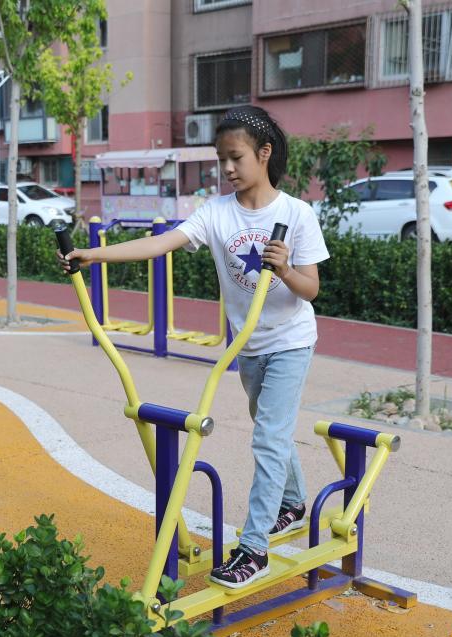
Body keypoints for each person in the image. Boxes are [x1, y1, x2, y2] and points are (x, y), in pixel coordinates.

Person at [59, 106, 329, 589]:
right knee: (271, 427)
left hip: (290, 341)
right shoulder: (217, 213)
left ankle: (254, 549)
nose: (227, 168)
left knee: (269, 436)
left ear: (264, 153)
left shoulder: (296, 214)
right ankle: (292, 502)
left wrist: (286, 269)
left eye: (236, 157)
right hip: (247, 344)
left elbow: (311, 289)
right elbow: (160, 244)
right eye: (221, 159)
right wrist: (94, 255)